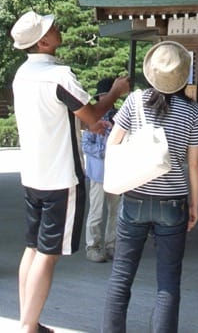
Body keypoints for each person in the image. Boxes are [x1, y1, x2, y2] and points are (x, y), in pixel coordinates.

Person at [10, 10, 129, 333]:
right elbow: (92, 116)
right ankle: (27, 327)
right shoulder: (59, 75)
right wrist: (116, 92)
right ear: (44, 41)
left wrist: (89, 119)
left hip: (32, 173)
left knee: (32, 248)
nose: (58, 28)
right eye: (52, 27)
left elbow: (62, 115)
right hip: (61, 176)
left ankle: (29, 322)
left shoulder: (21, 75)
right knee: (49, 255)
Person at [102, 41, 198, 333]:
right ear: (182, 76)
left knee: (121, 277)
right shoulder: (193, 112)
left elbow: (113, 142)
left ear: (151, 73)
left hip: (134, 197)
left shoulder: (135, 101)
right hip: (173, 203)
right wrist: (195, 206)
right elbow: (194, 165)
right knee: (168, 282)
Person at [83, 77, 120, 263]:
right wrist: (106, 149)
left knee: (115, 211)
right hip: (98, 172)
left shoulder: (120, 116)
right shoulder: (91, 117)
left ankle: (111, 245)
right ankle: (93, 246)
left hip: (116, 172)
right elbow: (86, 145)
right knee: (96, 211)